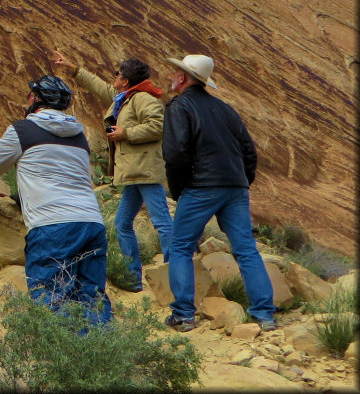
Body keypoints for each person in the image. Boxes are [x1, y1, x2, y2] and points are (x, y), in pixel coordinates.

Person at [0, 75, 112, 326]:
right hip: (92, 223)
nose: (26, 98)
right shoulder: (79, 136)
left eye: (30, 94)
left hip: (53, 227)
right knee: (91, 298)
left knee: (50, 299)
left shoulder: (24, 130)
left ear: (37, 99)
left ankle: (58, 360)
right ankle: (102, 357)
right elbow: (69, 176)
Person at [162, 54, 276, 332]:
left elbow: (175, 154)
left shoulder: (179, 106)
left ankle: (184, 315)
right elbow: (249, 151)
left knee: (180, 247)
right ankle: (264, 315)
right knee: (246, 249)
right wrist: (241, 181)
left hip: (200, 186)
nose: (172, 76)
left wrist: (180, 189)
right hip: (234, 186)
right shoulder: (225, 109)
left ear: (183, 78)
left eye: (176, 72)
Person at [53, 51, 172, 292]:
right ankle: (132, 277)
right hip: (135, 173)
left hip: (145, 171)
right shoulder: (125, 98)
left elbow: (158, 126)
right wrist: (74, 69)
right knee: (122, 223)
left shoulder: (143, 99)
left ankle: (175, 273)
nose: (113, 78)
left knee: (162, 223)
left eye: (117, 74)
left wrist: (125, 133)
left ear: (125, 80)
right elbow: (100, 87)